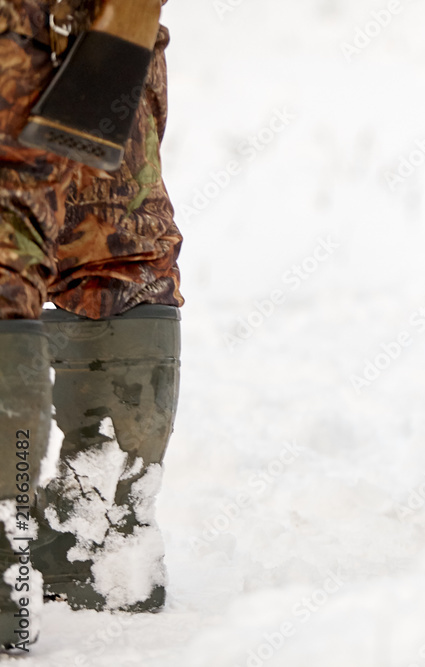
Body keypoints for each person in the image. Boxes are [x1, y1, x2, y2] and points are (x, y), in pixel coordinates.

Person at [0, 0, 182, 650]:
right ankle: (103, 534)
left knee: (5, 234)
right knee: (116, 242)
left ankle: (4, 549)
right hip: (111, 21)